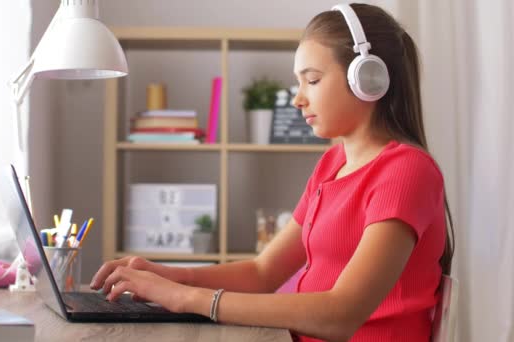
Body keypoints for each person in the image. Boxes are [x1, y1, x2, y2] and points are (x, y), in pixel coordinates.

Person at [90, 3, 455, 341]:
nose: (298, 98)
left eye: (311, 80)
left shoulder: (407, 172)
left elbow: (341, 315)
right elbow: (264, 273)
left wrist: (187, 298)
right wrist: (167, 275)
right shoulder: (332, 164)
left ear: (368, 78)